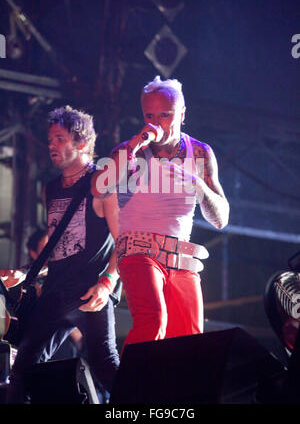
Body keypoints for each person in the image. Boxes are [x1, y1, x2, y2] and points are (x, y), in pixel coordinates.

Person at [91, 75, 229, 348]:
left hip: (179, 257)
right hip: (138, 251)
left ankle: (170, 391)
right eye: (149, 115)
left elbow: (221, 219)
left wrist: (198, 186)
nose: (156, 123)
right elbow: (98, 190)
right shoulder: (130, 152)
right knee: (153, 320)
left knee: (188, 339)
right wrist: (131, 148)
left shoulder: (200, 153)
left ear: (182, 114)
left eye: (165, 115)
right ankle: (128, 390)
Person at [6, 105, 120, 403]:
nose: (51, 145)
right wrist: (23, 272)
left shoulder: (101, 184)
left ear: (81, 143)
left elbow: (125, 241)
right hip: (55, 293)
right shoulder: (51, 189)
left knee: (105, 366)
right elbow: (58, 247)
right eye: (50, 139)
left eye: (59, 138)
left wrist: (107, 283)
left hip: (90, 293)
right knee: (22, 370)